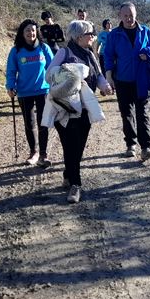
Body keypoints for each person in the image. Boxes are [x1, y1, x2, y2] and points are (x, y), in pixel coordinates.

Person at [47, 20, 113, 203]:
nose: (93, 36)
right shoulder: (64, 52)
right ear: (78, 37)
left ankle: (69, 172)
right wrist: (70, 76)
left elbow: (98, 75)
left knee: (79, 146)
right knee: (70, 146)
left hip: (84, 108)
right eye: (89, 33)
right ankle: (76, 185)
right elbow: (49, 72)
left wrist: (105, 86)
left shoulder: (91, 55)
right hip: (65, 109)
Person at [103, 2, 150, 161]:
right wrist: (109, 76)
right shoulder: (114, 34)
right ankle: (130, 144)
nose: (128, 19)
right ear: (120, 16)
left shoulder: (145, 31)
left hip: (141, 79)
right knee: (126, 113)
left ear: (136, 14)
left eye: (131, 15)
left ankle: (145, 147)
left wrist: (148, 55)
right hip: (122, 79)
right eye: (125, 15)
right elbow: (108, 56)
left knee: (142, 113)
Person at [6, 19, 54, 166]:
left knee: (43, 123)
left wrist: (56, 84)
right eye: (27, 30)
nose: (31, 33)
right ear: (22, 32)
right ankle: (34, 152)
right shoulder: (16, 51)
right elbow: (11, 71)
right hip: (24, 92)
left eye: (33, 30)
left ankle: (43, 155)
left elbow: (53, 67)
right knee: (29, 123)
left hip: (42, 90)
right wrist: (10, 86)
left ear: (37, 32)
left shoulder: (44, 48)